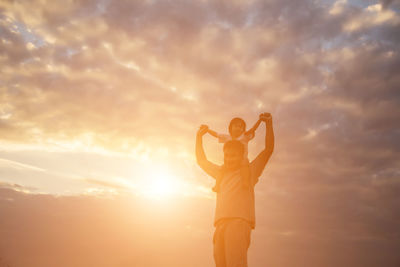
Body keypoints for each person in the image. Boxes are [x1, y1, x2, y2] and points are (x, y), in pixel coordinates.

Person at [196, 113, 274, 267]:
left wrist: (268, 124)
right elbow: (201, 160)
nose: (230, 159)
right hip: (220, 224)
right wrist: (199, 137)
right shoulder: (221, 173)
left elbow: (268, 150)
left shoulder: (249, 172)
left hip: (238, 222)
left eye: (234, 156)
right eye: (227, 156)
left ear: (242, 156)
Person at [203, 115, 263, 192]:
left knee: (245, 168)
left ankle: (245, 182)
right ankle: (217, 185)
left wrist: (260, 120)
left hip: (242, 160)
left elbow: (253, 129)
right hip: (230, 162)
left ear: (243, 130)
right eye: (236, 126)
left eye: (241, 127)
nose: (238, 128)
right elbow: (216, 134)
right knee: (221, 169)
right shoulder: (227, 137)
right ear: (230, 128)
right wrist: (207, 130)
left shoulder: (244, 137)